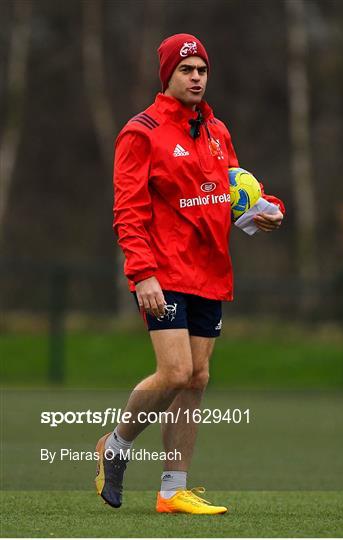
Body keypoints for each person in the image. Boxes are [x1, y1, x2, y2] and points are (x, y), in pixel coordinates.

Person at [95, 33, 285, 515]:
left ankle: (172, 490)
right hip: (164, 270)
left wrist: (265, 212)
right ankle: (114, 445)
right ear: (168, 76)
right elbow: (128, 212)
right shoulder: (141, 133)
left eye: (201, 70)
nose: (196, 77)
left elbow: (234, 194)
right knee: (175, 372)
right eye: (186, 69)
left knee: (197, 378)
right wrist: (143, 275)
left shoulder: (218, 131)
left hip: (210, 272)